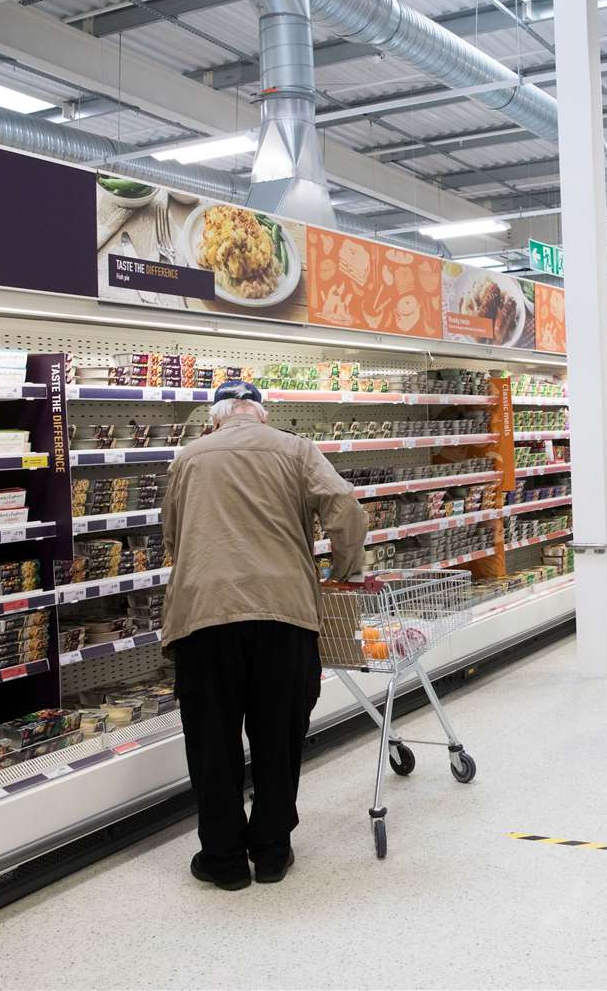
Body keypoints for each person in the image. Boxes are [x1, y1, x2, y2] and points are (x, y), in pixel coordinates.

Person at [161, 380, 367, 888]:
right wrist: (344, 571)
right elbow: (346, 508)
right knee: (279, 736)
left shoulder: (189, 457)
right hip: (284, 613)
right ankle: (272, 852)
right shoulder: (296, 449)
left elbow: (171, 535)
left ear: (214, 419)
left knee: (212, 739)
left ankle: (224, 861)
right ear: (262, 415)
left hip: (205, 615)